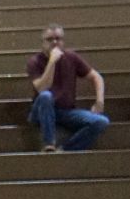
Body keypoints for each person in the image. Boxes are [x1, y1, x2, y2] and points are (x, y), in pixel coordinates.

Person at [27, 24, 107, 152]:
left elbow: (97, 77)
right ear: (43, 43)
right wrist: (52, 61)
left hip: (65, 111)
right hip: (42, 111)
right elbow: (42, 88)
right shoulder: (34, 61)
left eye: (58, 39)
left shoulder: (71, 57)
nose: (54, 42)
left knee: (101, 122)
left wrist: (99, 101)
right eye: (49, 39)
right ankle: (49, 144)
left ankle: (65, 149)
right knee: (46, 96)